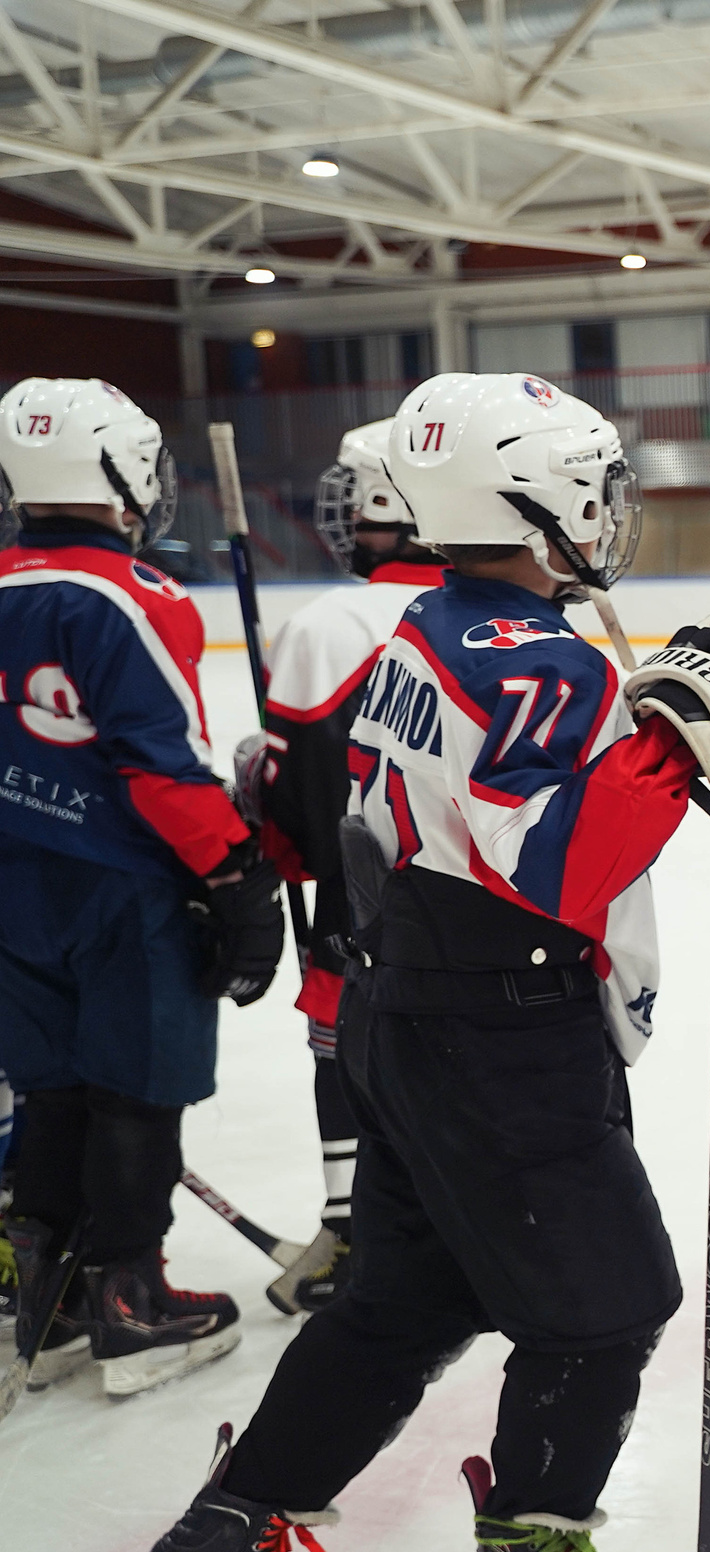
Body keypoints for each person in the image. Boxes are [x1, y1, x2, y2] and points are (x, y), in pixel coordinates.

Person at [108, 370, 710, 1552]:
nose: (609, 517)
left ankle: (229, 1530)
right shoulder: (530, 660)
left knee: (408, 1297)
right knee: (606, 1303)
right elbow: (557, 862)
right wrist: (685, 736)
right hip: (500, 1026)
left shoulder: (435, 629)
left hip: (410, 1011)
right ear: (527, 505)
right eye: (592, 494)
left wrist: (667, 717)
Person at [0, 376, 283, 1409]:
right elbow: (158, 769)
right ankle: (131, 1302)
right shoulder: (136, 596)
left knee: (52, 1087)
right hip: (120, 885)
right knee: (137, 1088)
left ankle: (51, 1296)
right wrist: (238, 875)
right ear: (116, 471)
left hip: (10, 883)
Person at [234, 418, 450, 1314]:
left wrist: (258, 786)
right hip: (485, 916)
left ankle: (352, 1230)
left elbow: (294, 800)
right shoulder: (511, 619)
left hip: (360, 913)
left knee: (345, 1054)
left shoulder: (326, 624)